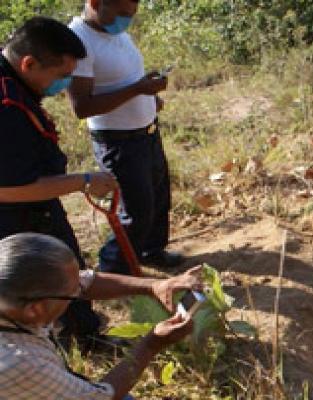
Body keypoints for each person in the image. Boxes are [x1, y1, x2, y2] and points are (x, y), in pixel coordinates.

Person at [0, 16, 121, 342]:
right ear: (29, 63)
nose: (66, 84)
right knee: (50, 281)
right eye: (61, 76)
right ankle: (66, 350)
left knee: (65, 274)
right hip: (18, 220)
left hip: (36, 209)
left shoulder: (14, 83)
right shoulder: (7, 108)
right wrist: (83, 180)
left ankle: (84, 335)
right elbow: (10, 190)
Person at [0, 233, 201, 400]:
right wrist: (152, 344)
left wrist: (155, 286)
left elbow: (87, 282)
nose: (80, 290)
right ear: (34, 310)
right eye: (73, 293)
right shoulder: (19, 362)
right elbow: (100, 398)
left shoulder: (13, 293)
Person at [67, 0, 183, 275]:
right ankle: (112, 273)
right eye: (122, 14)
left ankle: (149, 252)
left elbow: (126, 77)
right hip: (119, 142)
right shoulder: (79, 42)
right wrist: (138, 90)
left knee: (157, 199)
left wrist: (150, 95)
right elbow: (82, 107)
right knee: (136, 212)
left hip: (147, 133)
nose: (126, 20)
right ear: (95, 3)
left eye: (131, 15)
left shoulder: (115, 31)